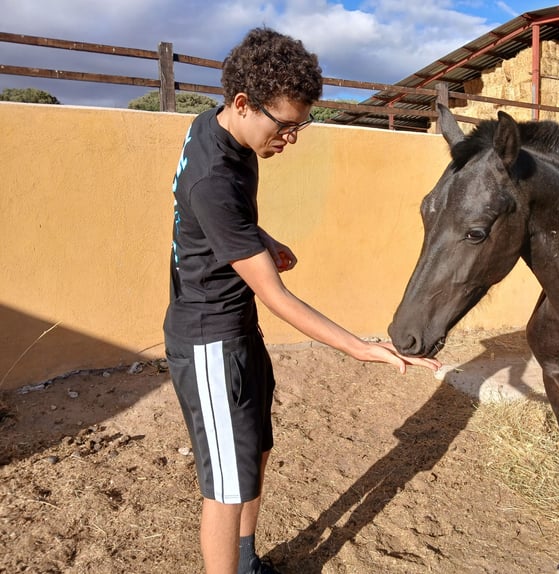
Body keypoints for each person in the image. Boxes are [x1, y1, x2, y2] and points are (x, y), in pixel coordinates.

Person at [162, 27, 440, 574]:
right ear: (242, 104)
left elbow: (213, 221)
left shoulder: (218, 131)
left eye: (300, 126)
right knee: (225, 486)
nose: (291, 138)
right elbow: (276, 295)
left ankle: (245, 561)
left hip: (236, 327)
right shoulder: (215, 178)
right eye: (285, 126)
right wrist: (359, 347)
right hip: (208, 340)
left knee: (254, 450)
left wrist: (259, 239)